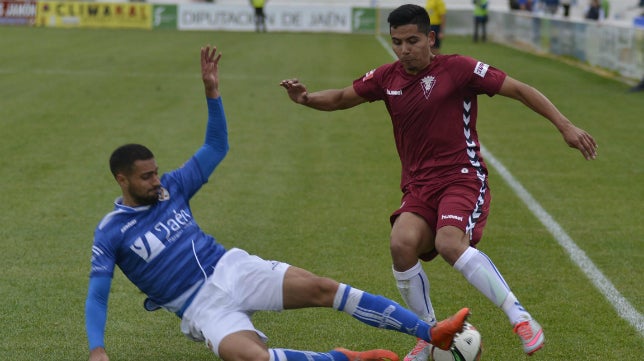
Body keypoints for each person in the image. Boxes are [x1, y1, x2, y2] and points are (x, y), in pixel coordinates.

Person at [84, 44, 471, 361]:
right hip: (201, 308)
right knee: (254, 358)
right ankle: (346, 359)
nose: (156, 181)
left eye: (155, 173)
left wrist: (212, 93)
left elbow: (216, 146)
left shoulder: (172, 187)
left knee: (323, 288)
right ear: (122, 180)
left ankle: (431, 332)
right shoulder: (112, 232)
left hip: (232, 268)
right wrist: (98, 349)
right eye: (146, 177)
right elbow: (98, 293)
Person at [280, 4, 598, 360]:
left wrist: (566, 126)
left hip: (462, 177)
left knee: (449, 243)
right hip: (418, 187)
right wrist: (305, 99)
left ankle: (520, 317)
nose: (404, 49)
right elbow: (340, 98)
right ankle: (429, 333)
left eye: (412, 40)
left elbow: (520, 89)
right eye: (397, 42)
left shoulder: (459, 69)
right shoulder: (387, 77)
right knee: (401, 244)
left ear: (430, 38)